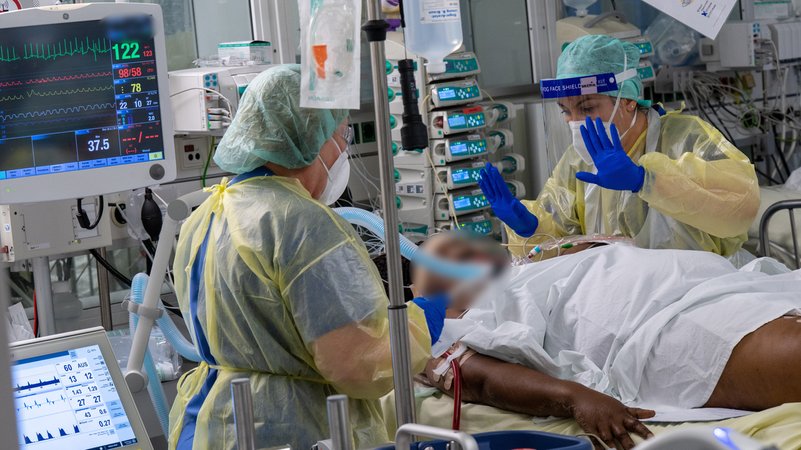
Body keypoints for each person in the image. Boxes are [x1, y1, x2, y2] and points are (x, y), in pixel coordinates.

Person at [167, 65, 443, 450]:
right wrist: (426, 315)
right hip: (289, 427)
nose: (343, 149)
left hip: (212, 424)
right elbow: (358, 364)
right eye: (340, 134)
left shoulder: (209, 213)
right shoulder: (302, 225)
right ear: (307, 137)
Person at [411, 233, 801, 450]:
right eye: (442, 257)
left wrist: (573, 247)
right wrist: (576, 397)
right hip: (659, 329)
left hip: (719, 284)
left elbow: (621, 247)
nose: (460, 252)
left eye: (463, 243)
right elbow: (480, 379)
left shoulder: (535, 264)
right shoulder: (439, 331)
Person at [478, 35, 760, 258]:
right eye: (565, 111)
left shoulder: (683, 136)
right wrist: (529, 227)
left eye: (587, 107)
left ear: (627, 100)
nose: (575, 122)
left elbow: (740, 206)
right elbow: (560, 241)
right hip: (623, 297)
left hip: (701, 287)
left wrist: (646, 180)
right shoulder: (578, 161)